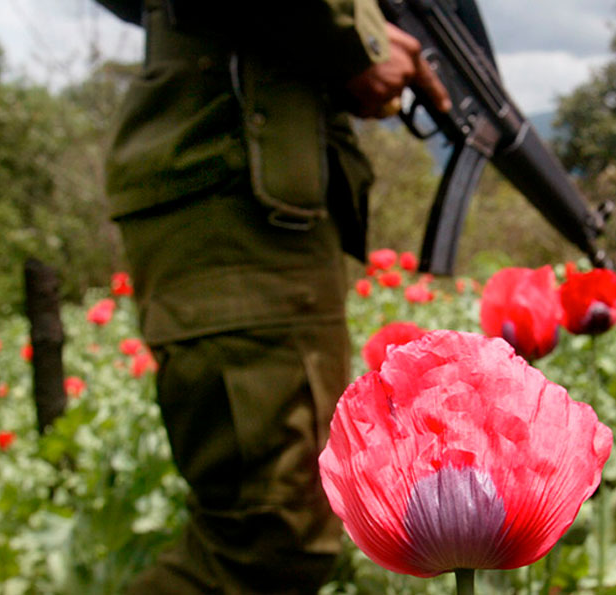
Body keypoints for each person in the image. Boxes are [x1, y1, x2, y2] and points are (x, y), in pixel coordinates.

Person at [102, 1, 449, 592]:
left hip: (255, 183)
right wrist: (360, 36)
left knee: (283, 534)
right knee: (268, 543)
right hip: (236, 189)